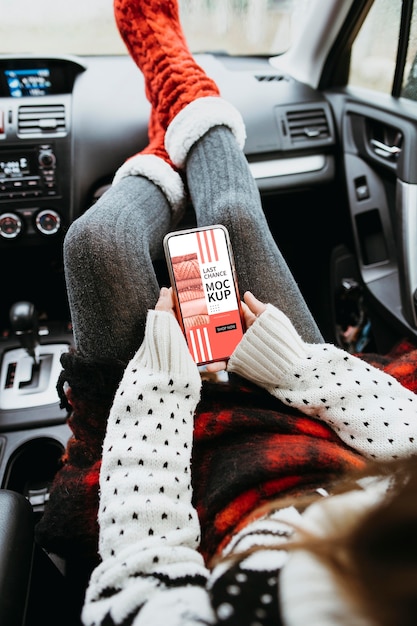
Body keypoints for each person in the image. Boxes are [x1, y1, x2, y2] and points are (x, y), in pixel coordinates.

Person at [34, 1, 417, 624]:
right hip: (310, 420)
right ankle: (176, 91)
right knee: (233, 218)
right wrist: (291, 363)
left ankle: (171, 115)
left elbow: (143, 558)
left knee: (95, 243)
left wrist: (159, 378)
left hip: (189, 472)